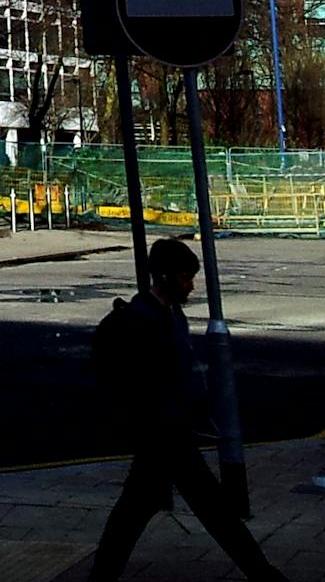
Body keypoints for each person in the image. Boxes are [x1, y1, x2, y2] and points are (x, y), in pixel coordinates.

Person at [86, 237, 290, 582]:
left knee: (135, 515)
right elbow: (144, 383)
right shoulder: (145, 320)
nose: (191, 286)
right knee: (215, 513)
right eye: (185, 277)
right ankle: (264, 575)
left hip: (169, 435)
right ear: (165, 277)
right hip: (165, 436)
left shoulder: (170, 315)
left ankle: (100, 578)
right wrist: (168, 418)